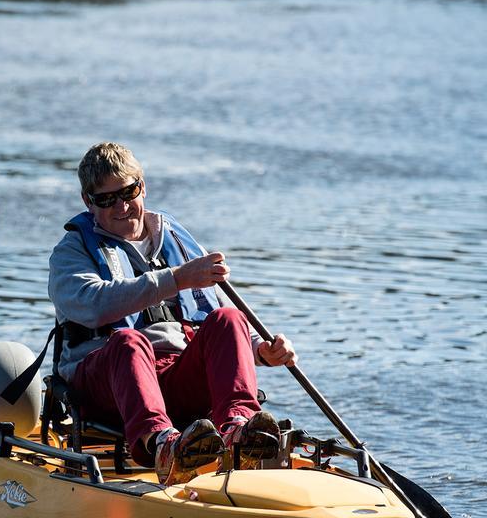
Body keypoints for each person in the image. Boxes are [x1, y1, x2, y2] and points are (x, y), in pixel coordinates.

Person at [48, 142, 299, 486]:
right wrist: (177, 279)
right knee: (128, 341)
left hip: (175, 375)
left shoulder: (174, 238)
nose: (121, 206)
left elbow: (215, 311)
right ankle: (164, 446)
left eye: (128, 192)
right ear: (88, 202)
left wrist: (261, 351)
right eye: (106, 200)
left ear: (142, 187)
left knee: (230, 320)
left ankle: (240, 429)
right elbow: (94, 304)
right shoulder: (71, 252)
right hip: (107, 381)